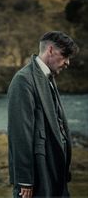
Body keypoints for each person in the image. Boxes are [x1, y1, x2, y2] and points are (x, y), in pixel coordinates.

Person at [7, 30, 78, 198]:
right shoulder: (23, 80)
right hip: (40, 171)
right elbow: (20, 133)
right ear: (51, 50)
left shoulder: (48, 77)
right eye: (65, 56)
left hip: (54, 167)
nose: (67, 63)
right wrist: (25, 180)